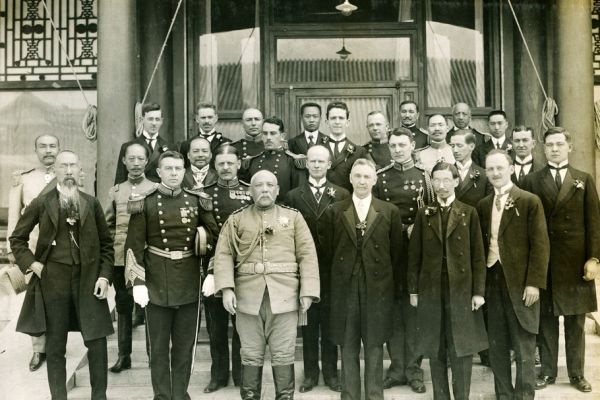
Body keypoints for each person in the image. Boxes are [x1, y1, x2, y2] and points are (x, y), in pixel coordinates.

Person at [10, 150, 114, 400]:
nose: (69, 171)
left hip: (89, 282)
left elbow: (107, 246)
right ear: (55, 171)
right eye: (63, 166)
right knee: (55, 347)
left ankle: (99, 397)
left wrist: (104, 277)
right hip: (53, 283)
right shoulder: (41, 203)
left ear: (80, 171)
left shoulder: (92, 203)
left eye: (73, 166)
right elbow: (17, 239)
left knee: (97, 344)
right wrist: (32, 264)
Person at [213, 170, 320, 400]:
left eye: (270, 185)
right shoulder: (237, 218)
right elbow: (223, 255)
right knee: (250, 354)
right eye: (259, 185)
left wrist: (308, 291)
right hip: (247, 297)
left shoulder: (293, 217)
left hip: (284, 296)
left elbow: (307, 255)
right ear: (250, 191)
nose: (264, 189)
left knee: (283, 353)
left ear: (277, 190)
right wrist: (227, 289)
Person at [125, 151, 219, 400]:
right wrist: (138, 282)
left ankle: (180, 394)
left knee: (184, 347)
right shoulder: (143, 202)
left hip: (189, 279)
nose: (175, 173)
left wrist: (211, 273)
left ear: (184, 170)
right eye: (169, 169)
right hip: (156, 281)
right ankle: (162, 395)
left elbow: (214, 240)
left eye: (179, 168)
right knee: (157, 348)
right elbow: (133, 246)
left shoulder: (198, 200)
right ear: (158, 172)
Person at [522, 127, 600, 393]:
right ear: (543, 149)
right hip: (545, 261)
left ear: (569, 146)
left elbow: (594, 223)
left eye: (559, 144)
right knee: (545, 319)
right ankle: (547, 372)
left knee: (576, 320)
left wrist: (594, 258)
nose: (554, 149)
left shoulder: (584, 179)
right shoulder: (532, 181)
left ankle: (577, 374)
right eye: (550, 145)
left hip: (575, 261)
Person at [408, 162, 488, 400]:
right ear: (431, 183)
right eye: (437, 180)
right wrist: (414, 291)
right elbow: (415, 256)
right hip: (432, 290)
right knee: (436, 347)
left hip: (461, 291)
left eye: (446, 180)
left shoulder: (468, 212)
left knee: (461, 348)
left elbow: (477, 256)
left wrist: (478, 292)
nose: (441, 186)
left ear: (455, 182)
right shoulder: (425, 214)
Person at [324, 158, 403, 400]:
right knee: (347, 346)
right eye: (357, 176)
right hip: (345, 289)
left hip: (377, 289)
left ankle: (374, 396)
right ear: (350, 179)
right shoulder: (335, 210)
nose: (362, 181)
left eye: (367, 177)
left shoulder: (389, 211)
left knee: (374, 345)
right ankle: (349, 396)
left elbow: (396, 254)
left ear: (375, 180)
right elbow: (327, 252)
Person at [477, 150, 550, 400]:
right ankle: (503, 395)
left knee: (523, 347)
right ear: (486, 173)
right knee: (496, 345)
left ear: (510, 169)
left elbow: (541, 245)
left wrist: (534, 284)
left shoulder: (529, 201)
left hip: (521, 284)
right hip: (492, 281)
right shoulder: (484, 205)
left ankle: (523, 396)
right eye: (490, 169)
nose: (495, 173)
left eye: (499, 168)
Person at [283, 145, 349, 393]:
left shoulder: (342, 194)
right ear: (306, 164)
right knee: (308, 323)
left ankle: (332, 373)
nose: (317, 165)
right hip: (304, 270)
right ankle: (310, 373)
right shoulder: (293, 196)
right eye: (313, 161)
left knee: (331, 323)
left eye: (322, 161)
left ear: (329, 164)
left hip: (333, 270)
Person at [373, 127, 432, 394]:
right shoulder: (380, 177)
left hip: (416, 252)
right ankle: (396, 368)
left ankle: (414, 369)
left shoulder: (424, 177)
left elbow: (431, 212)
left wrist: (416, 230)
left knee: (415, 311)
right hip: (389, 251)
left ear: (412, 146)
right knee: (393, 310)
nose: (397, 150)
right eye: (393, 145)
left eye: (402, 145)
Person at [200, 144, 252, 392]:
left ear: (239, 164)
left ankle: (241, 375)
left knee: (241, 325)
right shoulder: (203, 194)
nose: (226, 168)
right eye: (221, 163)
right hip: (212, 268)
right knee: (216, 326)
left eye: (230, 163)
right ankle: (218, 375)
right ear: (214, 165)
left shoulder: (249, 192)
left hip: (243, 267)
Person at [6, 134, 59, 371]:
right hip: (33, 249)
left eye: (52, 146)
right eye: (43, 146)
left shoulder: (68, 175)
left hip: (60, 251)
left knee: (58, 298)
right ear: (35, 150)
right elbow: (15, 216)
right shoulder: (24, 180)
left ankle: (57, 344)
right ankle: (38, 349)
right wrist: (12, 251)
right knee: (36, 300)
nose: (48, 150)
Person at [104, 143, 158, 373]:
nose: (136, 164)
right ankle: (123, 355)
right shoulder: (116, 191)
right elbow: (107, 226)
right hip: (121, 258)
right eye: (131, 159)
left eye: (140, 159)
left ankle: (152, 356)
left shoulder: (156, 188)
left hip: (148, 257)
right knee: (123, 305)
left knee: (149, 305)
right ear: (124, 161)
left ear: (147, 161)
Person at [242, 117, 305, 199]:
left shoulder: (293, 162)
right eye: (265, 133)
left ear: (282, 136)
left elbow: (298, 196)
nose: (268, 137)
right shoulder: (252, 162)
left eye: (272, 133)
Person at [114, 102, 172, 184]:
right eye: (150, 119)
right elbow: (120, 180)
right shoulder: (128, 146)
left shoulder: (170, 147)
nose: (154, 123)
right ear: (142, 120)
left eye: (157, 119)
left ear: (161, 121)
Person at [324, 101, 368, 191]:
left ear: (347, 122)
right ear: (327, 122)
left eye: (341, 118)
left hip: (348, 201)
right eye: (333, 118)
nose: (337, 122)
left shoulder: (359, 152)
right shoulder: (317, 149)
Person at [179, 102, 231, 167]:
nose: (207, 121)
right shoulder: (186, 145)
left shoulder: (226, 143)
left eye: (210, 117)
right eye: (203, 118)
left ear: (216, 118)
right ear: (197, 119)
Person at [450, 129, 492, 208]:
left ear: (471, 146)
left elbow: (487, 209)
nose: (455, 150)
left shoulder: (484, 176)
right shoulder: (446, 172)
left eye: (459, 145)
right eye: (452, 146)